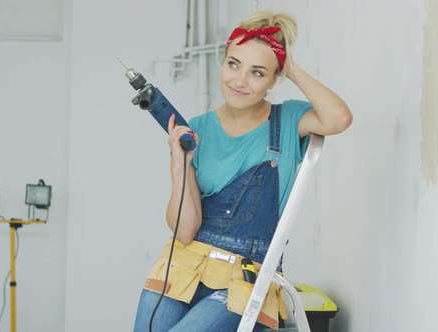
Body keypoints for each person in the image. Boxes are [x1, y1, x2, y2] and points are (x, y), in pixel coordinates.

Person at [133, 10, 352, 332]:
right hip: (183, 264)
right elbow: (184, 230)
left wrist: (289, 66)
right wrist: (179, 163)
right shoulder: (197, 129)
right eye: (233, 64)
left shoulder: (288, 120)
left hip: (247, 277)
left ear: (275, 79)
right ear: (223, 60)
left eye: (258, 72)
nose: (239, 81)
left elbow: (338, 119)